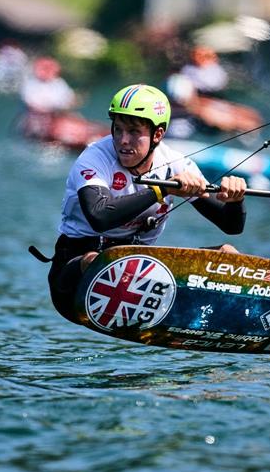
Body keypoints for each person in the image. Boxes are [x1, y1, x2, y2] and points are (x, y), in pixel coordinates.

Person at [42, 84, 248, 324]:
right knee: (96, 260)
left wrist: (236, 200)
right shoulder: (95, 157)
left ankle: (236, 320)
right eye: (117, 129)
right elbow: (99, 216)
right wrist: (161, 189)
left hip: (142, 272)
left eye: (133, 131)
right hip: (74, 282)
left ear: (158, 134)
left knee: (227, 254)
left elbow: (230, 225)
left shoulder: (175, 163)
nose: (123, 140)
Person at [20, 57, 77, 139]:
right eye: (44, 69)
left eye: (49, 69)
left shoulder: (59, 83)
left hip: (58, 115)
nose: (47, 72)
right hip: (36, 117)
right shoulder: (30, 84)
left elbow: (69, 100)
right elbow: (32, 104)